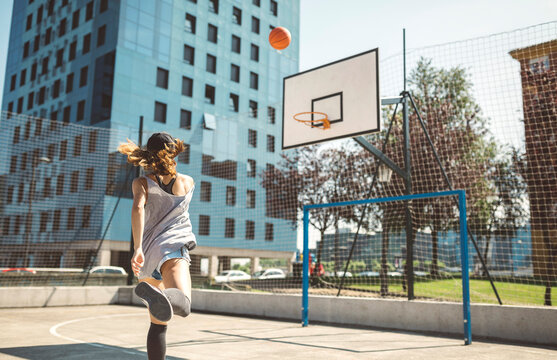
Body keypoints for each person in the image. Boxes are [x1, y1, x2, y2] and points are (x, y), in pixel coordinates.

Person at [118, 133, 196, 360]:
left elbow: (138, 209)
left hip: (149, 254)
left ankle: (157, 295)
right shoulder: (188, 182)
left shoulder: (141, 182)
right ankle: (163, 296)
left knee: (159, 325)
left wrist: (137, 248)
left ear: (149, 157)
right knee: (183, 304)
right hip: (171, 249)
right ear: (174, 154)